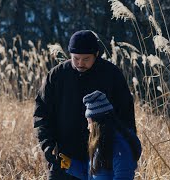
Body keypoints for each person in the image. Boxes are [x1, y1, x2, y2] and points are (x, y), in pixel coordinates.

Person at [33, 30, 138, 179]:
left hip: (102, 158)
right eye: (76, 58)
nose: (80, 63)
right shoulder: (56, 76)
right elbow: (41, 114)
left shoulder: (112, 75)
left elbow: (126, 116)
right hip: (63, 160)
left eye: (86, 59)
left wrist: (124, 148)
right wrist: (48, 147)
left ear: (96, 54)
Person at [59, 90, 142, 179]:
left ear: (97, 123)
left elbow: (123, 177)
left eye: (89, 122)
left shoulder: (119, 147)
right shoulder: (101, 144)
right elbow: (92, 176)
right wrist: (70, 165)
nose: (88, 127)